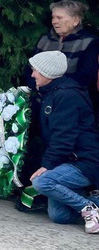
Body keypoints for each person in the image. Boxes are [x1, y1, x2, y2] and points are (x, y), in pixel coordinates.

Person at [28, 51, 99, 233]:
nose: (32, 75)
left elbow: (64, 137)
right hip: (67, 161)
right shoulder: (52, 93)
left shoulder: (66, 96)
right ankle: (93, 202)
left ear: (47, 73)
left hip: (84, 161)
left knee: (42, 182)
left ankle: (88, 208)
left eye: (35, 71)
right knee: (59, 216)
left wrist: (47, 165)